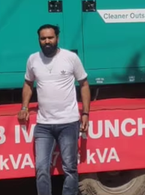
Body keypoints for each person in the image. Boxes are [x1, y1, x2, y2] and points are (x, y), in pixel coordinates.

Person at [18, 24, 91, 195]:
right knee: (41, 168)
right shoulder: (33, 59)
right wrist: (24, 107)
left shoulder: (70, 58)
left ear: (57, 38)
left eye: (50, 38)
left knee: (70, 168)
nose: (47, 41)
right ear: (39, 40)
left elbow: (84, 84)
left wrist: (85, 113)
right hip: (43, 125)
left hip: (69, 123)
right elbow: (28, 83)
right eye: (43, 38)